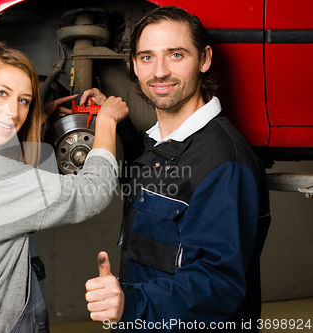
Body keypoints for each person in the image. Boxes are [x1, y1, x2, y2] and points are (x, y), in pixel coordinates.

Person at [0, 41, 128, 333]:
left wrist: (38, 122)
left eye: (24, 100)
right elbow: (91, 193)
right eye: (1, 92)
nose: (13, 112)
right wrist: (107, 121)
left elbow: (6, 181)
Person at [83, 6, 271, 332]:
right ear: (134, 65)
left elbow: (219, 283)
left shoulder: (225, 164)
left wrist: (132, 304)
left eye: (176, 55)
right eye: (146, 57)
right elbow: (154, 170)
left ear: (205, 59)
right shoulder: (164, 145)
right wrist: (115, 124)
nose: (159, 72)